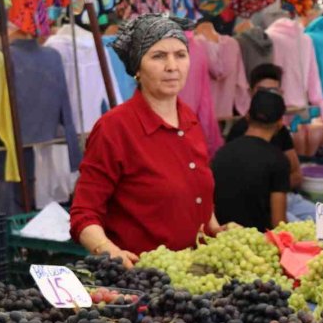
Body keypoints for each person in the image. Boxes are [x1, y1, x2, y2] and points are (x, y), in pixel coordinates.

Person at [70, 14, 220, 267]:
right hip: (144, 276)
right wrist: (108, 250)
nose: (172, 66)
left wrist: (215, 228)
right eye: (158, 56)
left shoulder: (189, 120)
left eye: (180, 55)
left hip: (199, 273)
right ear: (137, 69)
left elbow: (197, 196)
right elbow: (83, 214)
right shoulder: (115, 128)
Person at [212, 89, 290, 230]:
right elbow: (279, 223)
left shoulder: (221, 153)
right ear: (280, 124)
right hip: (258, 239)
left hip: (221, 235)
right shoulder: (278, 160)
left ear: (247, 117)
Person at [227, 63, 302, 190]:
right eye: (261, 91)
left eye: (273, 91)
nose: (267, 96)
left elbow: (296, 175)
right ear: (250, 92)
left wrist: (274, 189)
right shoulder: (239, 131)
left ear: (280, 93)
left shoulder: (281, 130)